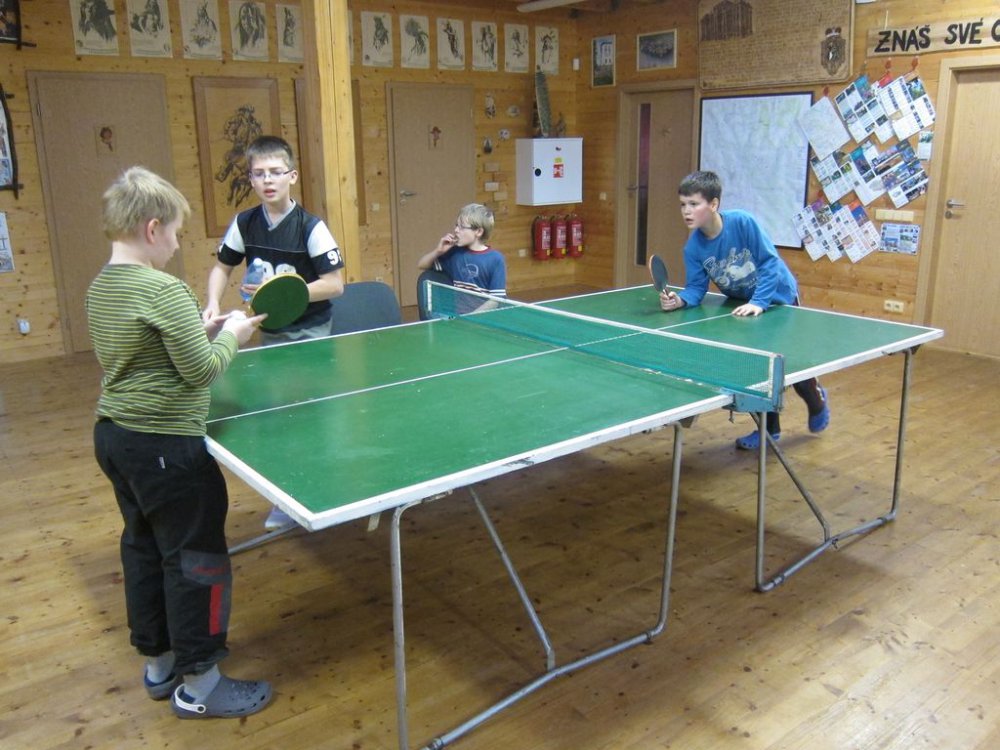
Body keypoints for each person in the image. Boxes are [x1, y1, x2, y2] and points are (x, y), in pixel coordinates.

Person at [86, 167, 272, 719]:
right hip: (166, 446)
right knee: (196, 560)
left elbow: (141, 353)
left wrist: (198, 330)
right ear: (152, 228)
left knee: (145, 549)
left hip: (116, 437)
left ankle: (160, 664)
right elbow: (201, 372)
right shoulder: (162, 288)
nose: (175, 244)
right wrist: (232, 335)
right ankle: (202, 686)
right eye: (174, 233)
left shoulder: (101, 286)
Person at [203, 134, 344, 529]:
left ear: (292, 176)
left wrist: (285, 291)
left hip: (312, 332)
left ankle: (313, 490)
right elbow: (222, 267)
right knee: (279, 416)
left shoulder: (311, 228)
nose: (268, 180)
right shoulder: (245, 223)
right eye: (259, 174)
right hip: (270, 330)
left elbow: (335, 284)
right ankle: (288, 497)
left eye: (276, 172)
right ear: (250, 179)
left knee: (307, 414)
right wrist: (212, 301)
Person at [659, 171, 830, 450]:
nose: (686, 211)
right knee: (758, 370)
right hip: (744, 306)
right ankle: (769, 431)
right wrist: (680, 301)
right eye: (683, 204)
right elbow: (696, 288)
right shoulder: (693, 248)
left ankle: (815, 398)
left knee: (789, 363)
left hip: (779, 298)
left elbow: (769, 262)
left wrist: (759, 302)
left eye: (694, 204)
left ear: (713, 204)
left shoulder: (742, 222)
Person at [417, 203, 506, 312]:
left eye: (462, 227)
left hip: (483, 318)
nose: (456, 230)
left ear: (478, 231)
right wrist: (438, 251)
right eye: (456, 225)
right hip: (458, 317)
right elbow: (421, 265)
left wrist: (470, 318)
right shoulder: (455, 253)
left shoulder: (495, 259)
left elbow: (495, 300)